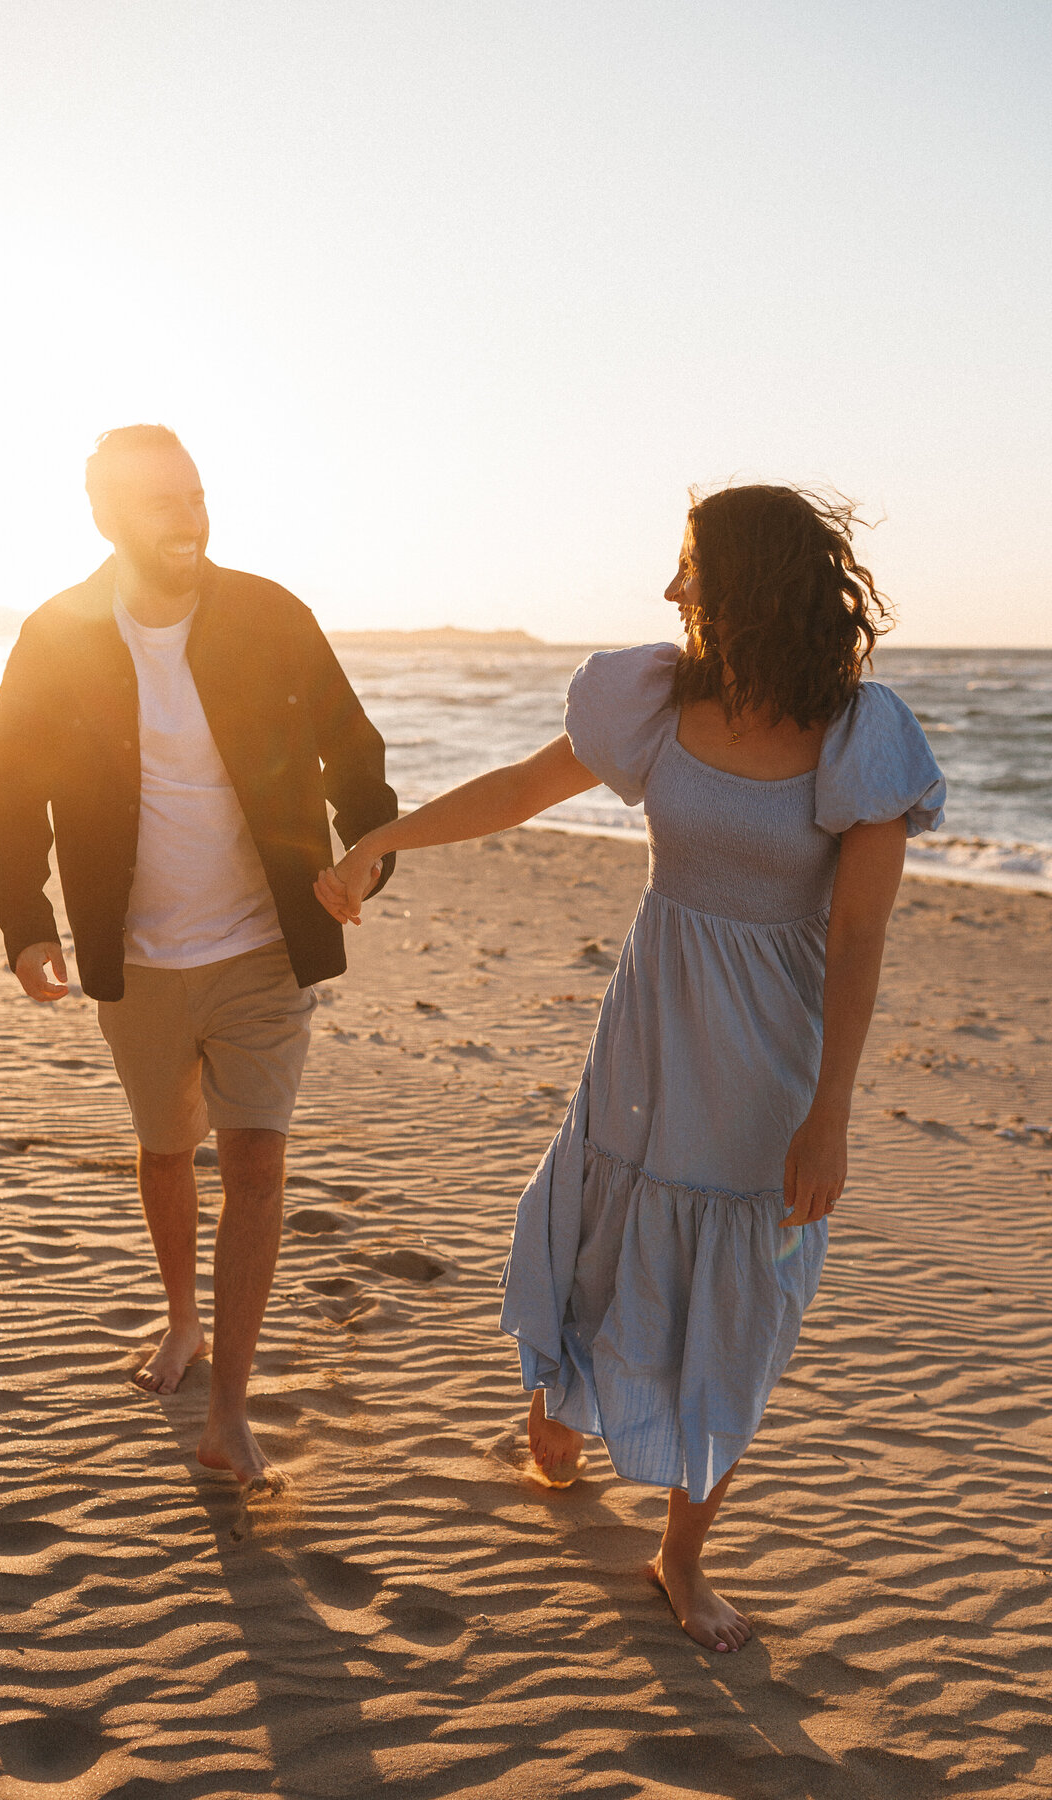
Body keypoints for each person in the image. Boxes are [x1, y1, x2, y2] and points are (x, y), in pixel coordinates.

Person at [315, 484, 945, 1651]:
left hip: (767, 1068)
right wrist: (380, 843)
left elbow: (860, 937)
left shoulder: (861, 738)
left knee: (737, 1305)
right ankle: (561, 1403)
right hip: (649, 1028)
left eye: (691, 569)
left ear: (751, 582)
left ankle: (681, 1557)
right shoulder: (657, 699)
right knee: (602, 1235)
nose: (670, 591)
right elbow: (521, 787)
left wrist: (831, 1113)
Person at [0, 423, 396, 1489]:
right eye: (163, 500)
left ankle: (229, 1412)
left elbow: (356, 756)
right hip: (137, 954)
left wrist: (367, 858)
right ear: (107, 517)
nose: (190, 517)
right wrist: (26, 922)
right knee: (167, 1150)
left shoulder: (270, 614)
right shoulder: (56, 636)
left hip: (266, 942)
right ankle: (181, 1317)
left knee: (255, 1164)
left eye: (198, 494)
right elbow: (9, 789)